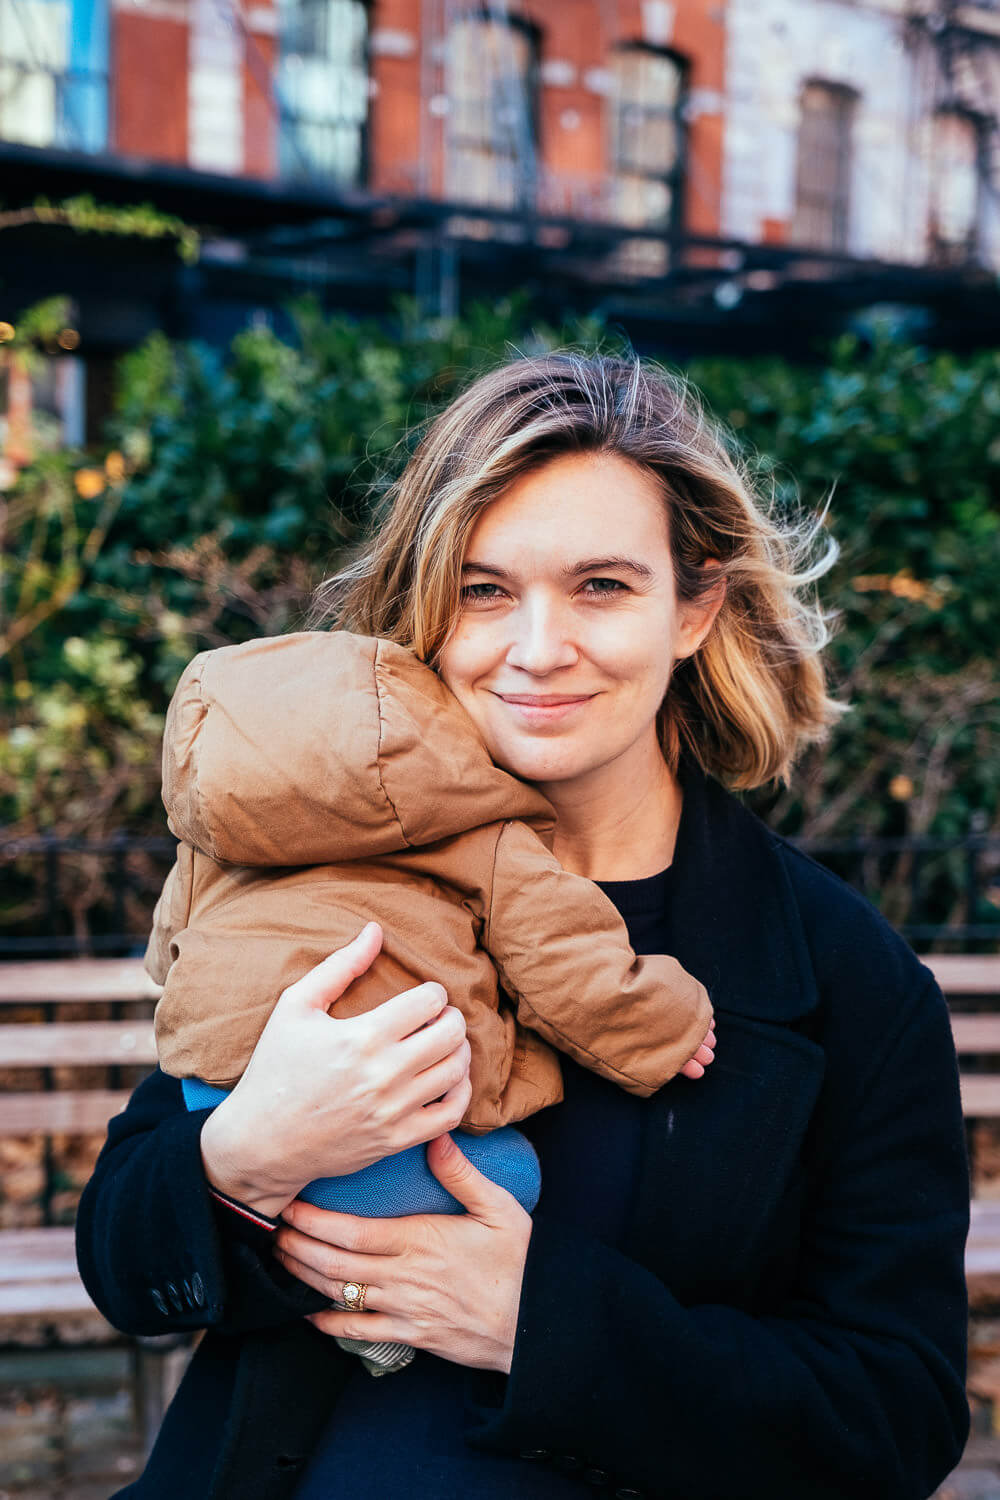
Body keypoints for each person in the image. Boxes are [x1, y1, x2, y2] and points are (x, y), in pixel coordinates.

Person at [75, 351, 971, 1500]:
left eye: (602, 586)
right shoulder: (315, 858)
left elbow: (892, 1415)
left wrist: (535, 1325)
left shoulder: (846, 979)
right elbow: (125, 1257)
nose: (538, 648)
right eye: (484, 589)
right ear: (427, 606)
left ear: (695, 607)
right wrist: (242, 1162)